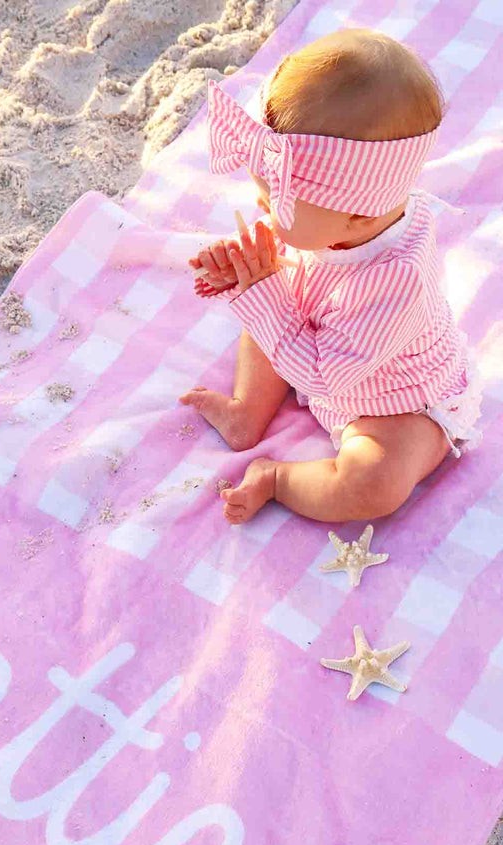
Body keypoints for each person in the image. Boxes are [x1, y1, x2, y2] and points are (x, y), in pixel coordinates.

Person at [179, 28, 482, 525]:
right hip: (314, 344)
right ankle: (245, 412)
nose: (260, 205)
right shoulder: (332, 223)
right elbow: (282, 272)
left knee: (375, 483)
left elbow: (321, 378)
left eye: (274, 201)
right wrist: (239, 270)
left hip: (393, 401)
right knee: (268, 311)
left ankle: (276, 478)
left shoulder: (398, 281)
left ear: (357, 214)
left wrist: (263, 292)